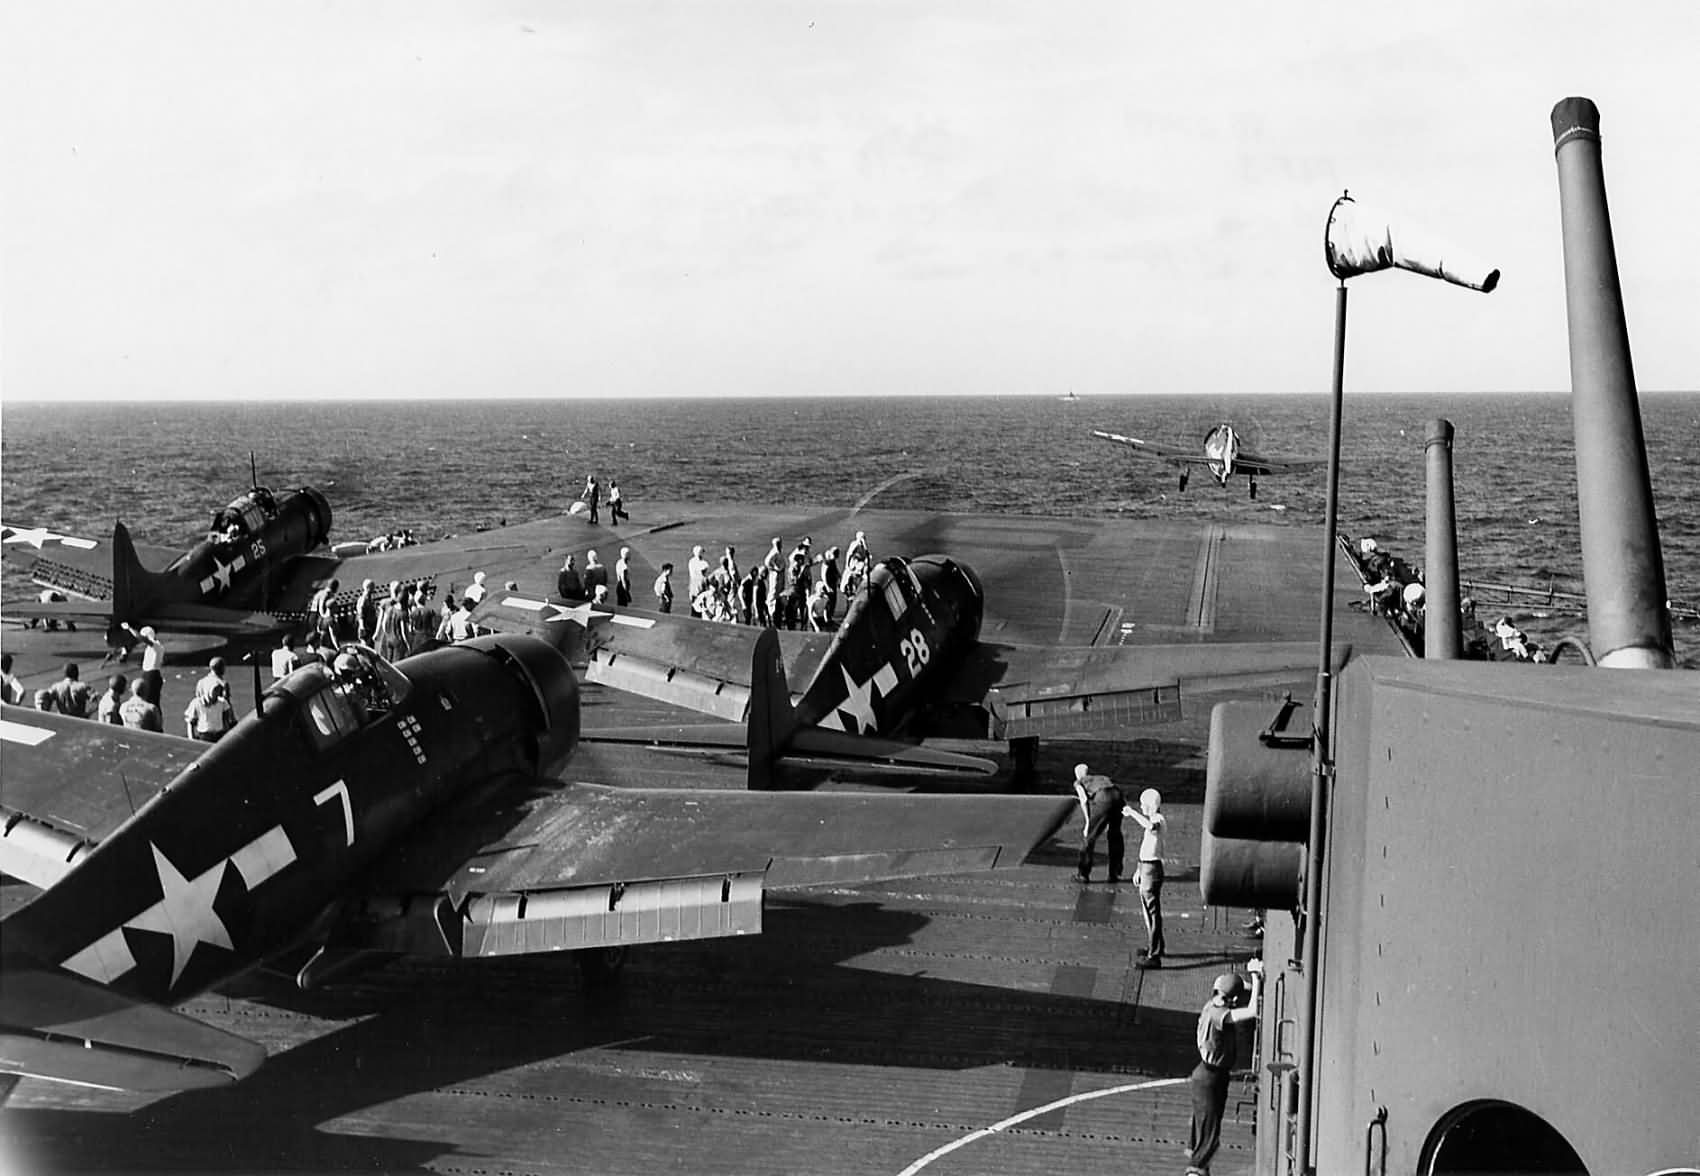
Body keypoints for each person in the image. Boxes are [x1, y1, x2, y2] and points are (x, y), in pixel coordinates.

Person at [1187, 961, 1264, 1176]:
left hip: (1209, 1076)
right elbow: (1252, 1011)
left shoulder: (1212, 1004)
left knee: (1206, 1133)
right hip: (1210, 1079)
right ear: (1233, 998)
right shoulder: (1219, 1015)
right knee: (1207, 1138)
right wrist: (1256, 977)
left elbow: (1230, 992)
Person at [1124, 788, 1168, 966]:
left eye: (1143, 805)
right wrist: (1139, 869)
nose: (1141, 807)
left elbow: (1150, 827)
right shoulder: (1153, 819)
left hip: (1152, 869)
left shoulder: (1157, 820)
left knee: (1152, 912)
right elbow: (1147, 848)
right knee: (1150, 911)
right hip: (1147, 867)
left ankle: (1154, 955)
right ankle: (1156, 946)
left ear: (1150, 806)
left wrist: (1132, 813)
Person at [1070, 763, 1124, 883]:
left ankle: (1083, 874)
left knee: (1090, 837)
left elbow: (1083, 800)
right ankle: (1114, 873)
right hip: (1117, 794)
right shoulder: (1099, 777)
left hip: (1103, 797)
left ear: (1077, 775)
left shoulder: (1079, 782)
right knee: (1115, 835)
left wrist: (1088, 822)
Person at [687, 546, 710, 616]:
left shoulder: (691, 562)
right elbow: (703, 573)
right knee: (701, 604)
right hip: (700, 585)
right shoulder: (704, 563)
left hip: (693, 585)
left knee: (694, 604)